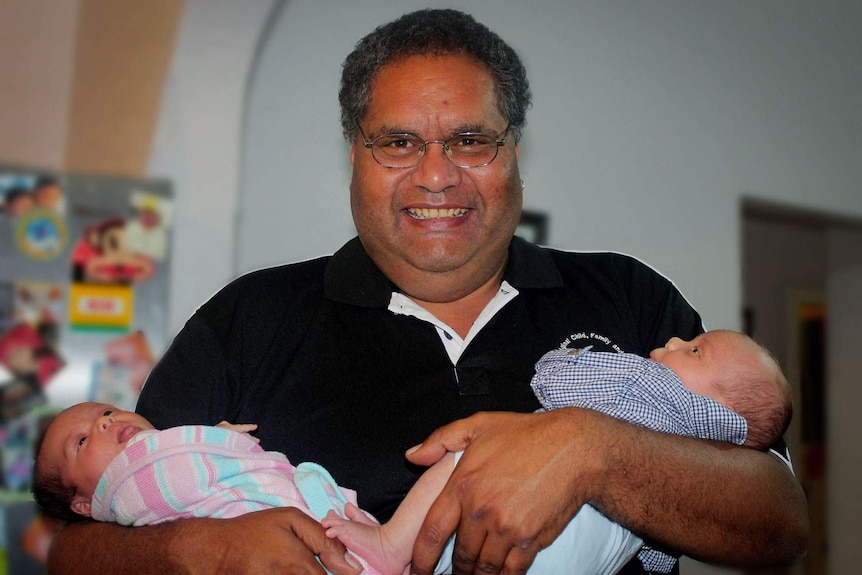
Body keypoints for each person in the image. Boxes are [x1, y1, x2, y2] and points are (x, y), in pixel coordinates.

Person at [48, 9, 809, 575]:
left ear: (515, 152)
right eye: (399, 141)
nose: (438, 174)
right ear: (356, 156)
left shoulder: (632, 297)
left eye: (471, 141)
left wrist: (592, 447)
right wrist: (200, 549)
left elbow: (779, 519)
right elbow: (73, 550)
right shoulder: (248, 319)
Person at [320, 330, 792, 575]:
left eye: (694, 352)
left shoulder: (644, 381)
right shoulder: (702, 449)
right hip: (597, 549)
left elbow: (553, 379)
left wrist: (570, 371)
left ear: (719, 409)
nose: (673, 341)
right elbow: (663, 549)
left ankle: (391, 544)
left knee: (468, 454)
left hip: (512, 511)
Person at [32, 402, 380, 574]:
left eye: (107, 411)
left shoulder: (175, 448)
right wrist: (212, 440)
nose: (106, 421)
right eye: (81, 441)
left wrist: (213, 441)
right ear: (82, 505)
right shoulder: (127, 491)